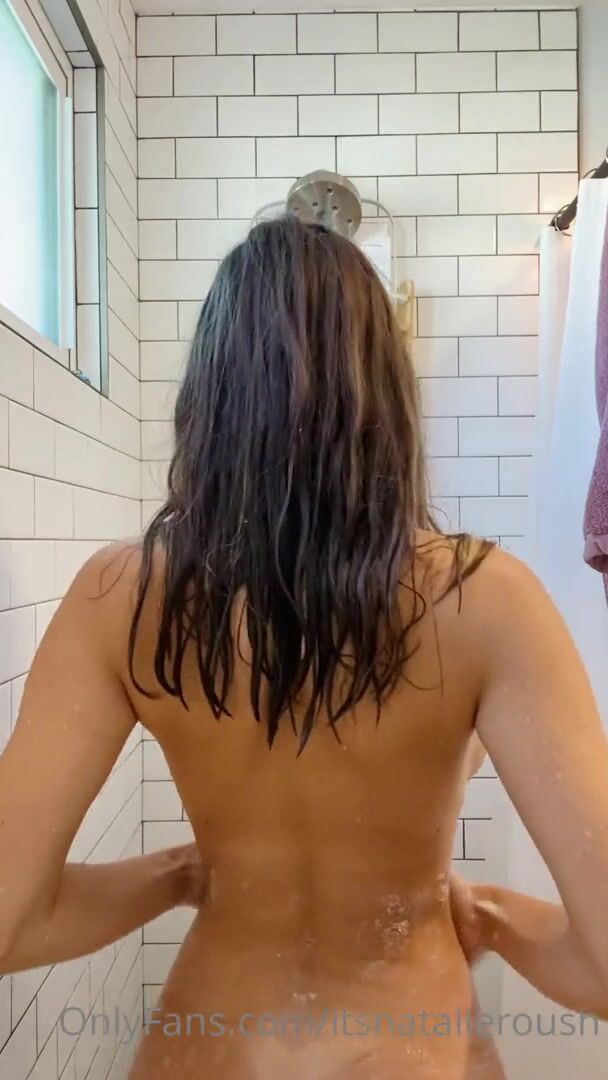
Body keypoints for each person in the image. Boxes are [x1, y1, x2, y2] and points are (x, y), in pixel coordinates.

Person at [1, 215, 607, 1079]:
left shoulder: (120, 599)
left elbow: (9, 923)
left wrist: (184, 873)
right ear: (387, 398)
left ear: (209, 398)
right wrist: (492, 918)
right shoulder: (485, 600)